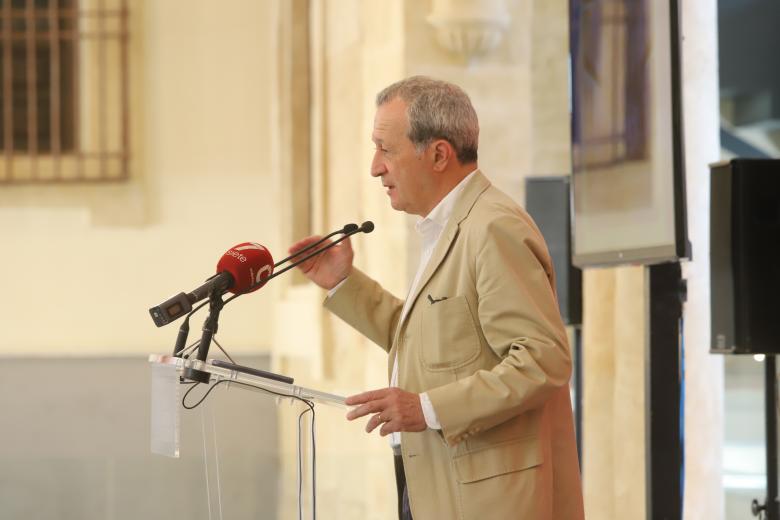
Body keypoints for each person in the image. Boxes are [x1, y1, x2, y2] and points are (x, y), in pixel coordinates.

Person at [289, 76, 584, 520]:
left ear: (439, 154)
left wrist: (425, 407)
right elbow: (431, 343)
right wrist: (343, 282)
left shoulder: (491, 227)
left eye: (386, 150)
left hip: (489, 501)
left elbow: (543, 360)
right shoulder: (449, 226)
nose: (375, 167)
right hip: (437, 484)